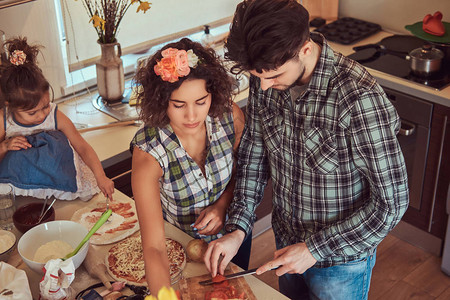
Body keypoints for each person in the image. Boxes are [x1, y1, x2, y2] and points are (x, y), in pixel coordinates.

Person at [203, 1, 409, 299]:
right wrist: (238, 228)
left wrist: (314, 249)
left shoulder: (357, 99)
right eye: (257, 76)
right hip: (285, 241)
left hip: (339, 262)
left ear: (305, 49)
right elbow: (254, 153)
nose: (262, 87)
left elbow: (392, 203)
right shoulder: (267, 72)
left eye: (272, 76)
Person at [130, 38, 249, 295]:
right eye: (179, 105)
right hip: (182, 255)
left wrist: (222, 204)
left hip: (235, 237)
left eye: (201, 101)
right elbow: (154, 248)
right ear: (161, 102)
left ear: (213, 94)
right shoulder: (148, 153)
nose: (192, 116)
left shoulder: (229, 117)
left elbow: (248, 172)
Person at [0, 37, 114, 201]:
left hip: (58, 189)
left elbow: (82, 147)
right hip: (18, 191)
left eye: (45, 105)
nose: (41, 115)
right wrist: (4, 146)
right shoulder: (4, 120)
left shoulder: (55, 115)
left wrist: (101, 176)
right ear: (9, 105)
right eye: (32, 113)